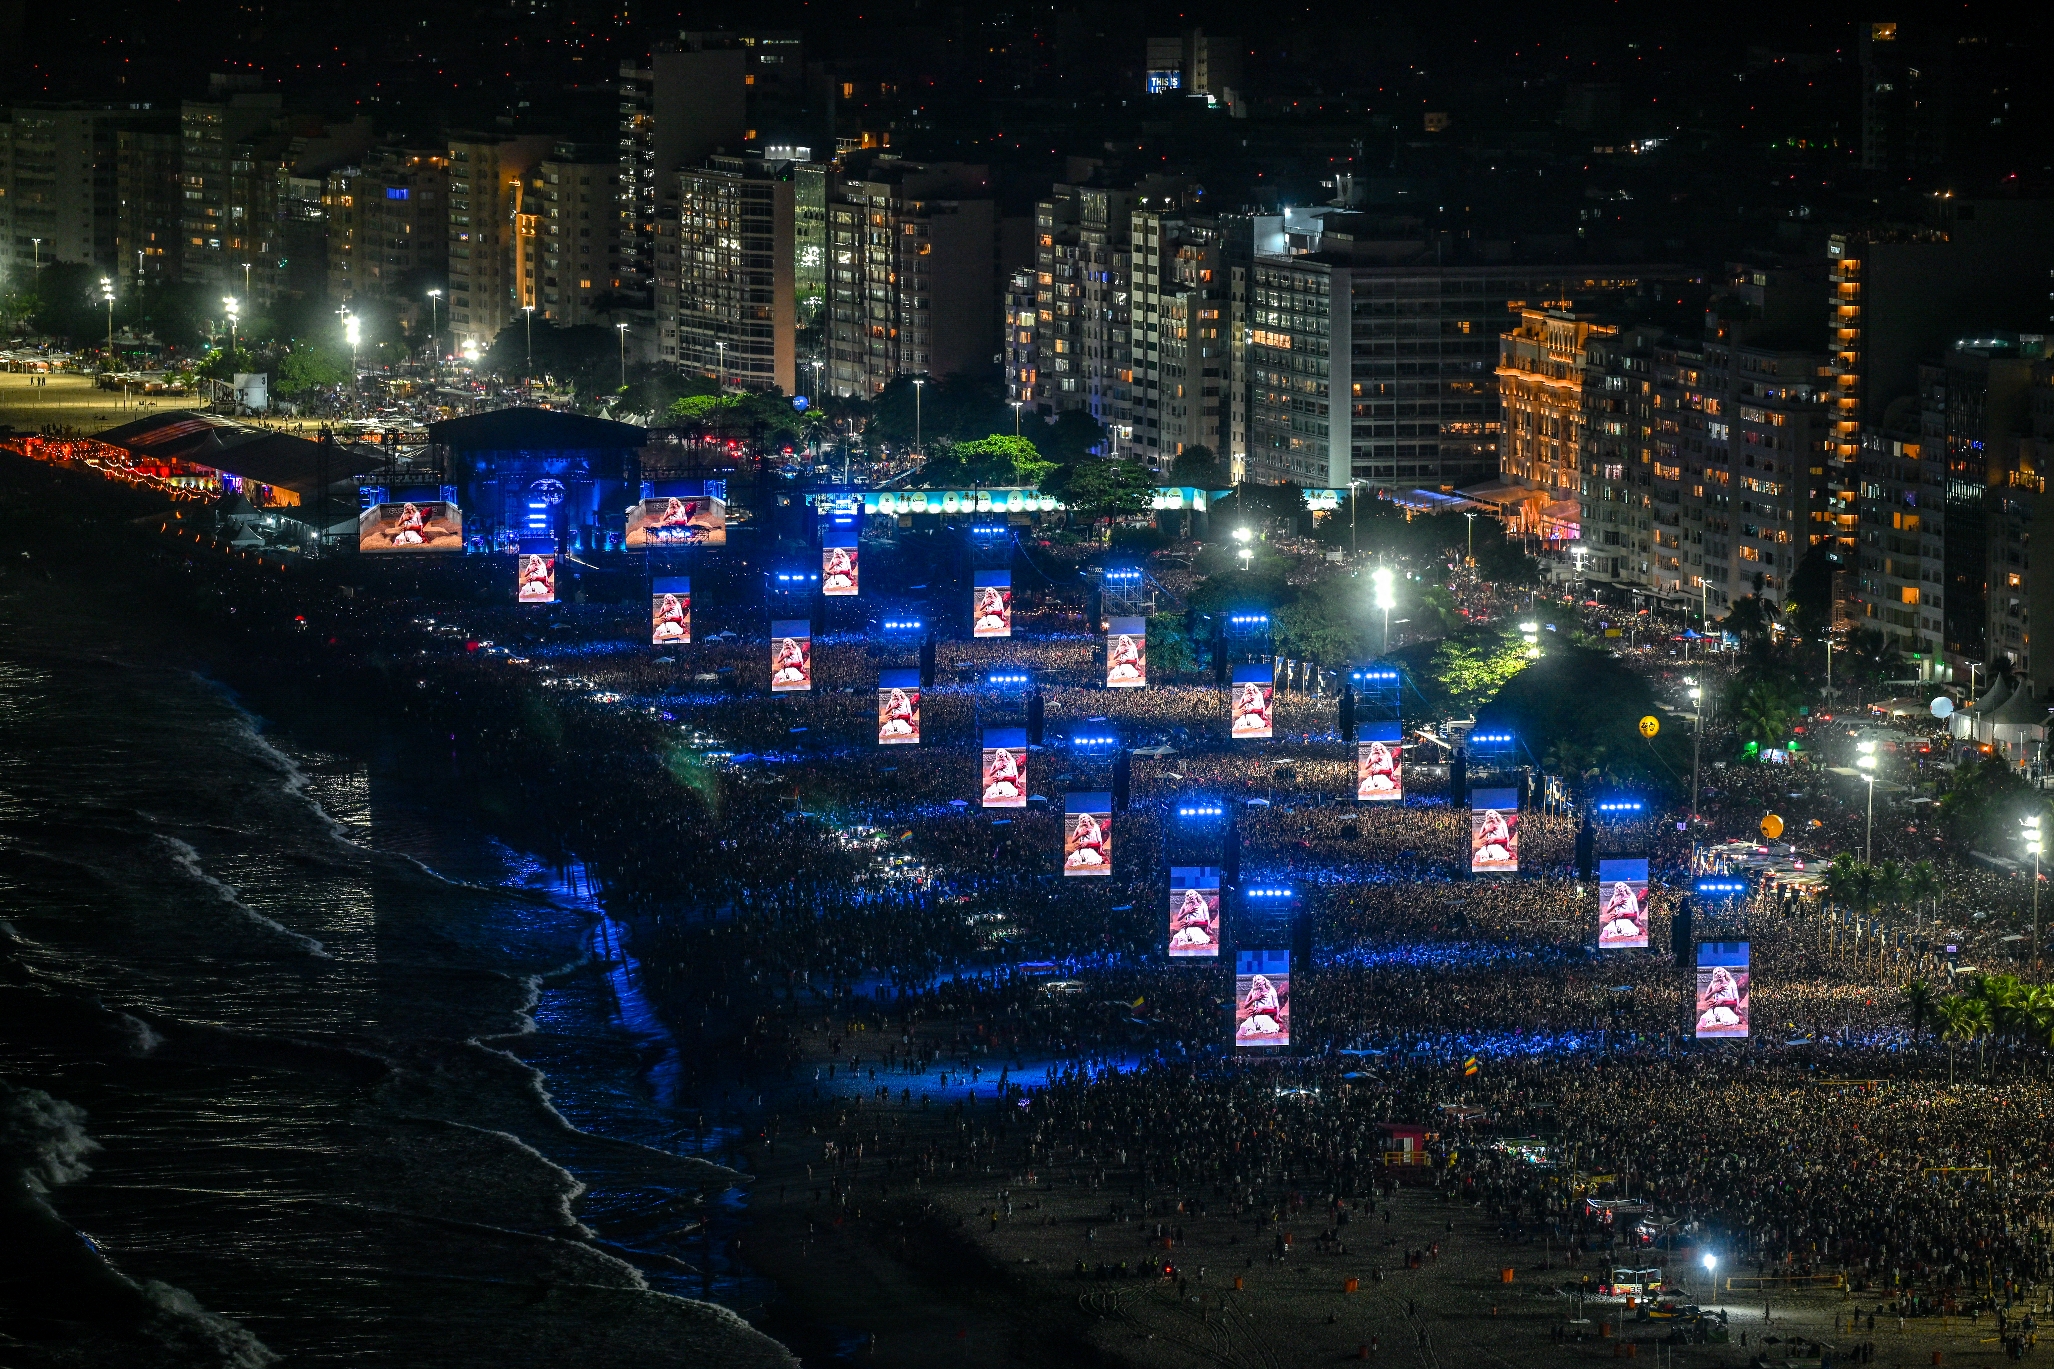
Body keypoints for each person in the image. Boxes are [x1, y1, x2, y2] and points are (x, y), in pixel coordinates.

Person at [1695, 966, 1747, 1034]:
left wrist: (1723, 999)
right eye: (1715, 973)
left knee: (1729, 1023)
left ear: (1724, 973)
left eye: (1719, 971)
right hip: (1714, 1009)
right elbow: (1706, 998)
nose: (1717, 973)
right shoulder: (1713, 983)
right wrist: (1714, 991)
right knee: (1701, 1023)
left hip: (1726, 1008)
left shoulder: (1731, 983)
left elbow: (1735, 1000)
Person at [1237, 973, 1285, 1041]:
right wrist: (1254, 999)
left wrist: (1263, 1008)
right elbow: (1245, 1006)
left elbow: (1276, 1007)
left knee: (1271, 1032)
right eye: (1255, 980)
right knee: (1243, 1029)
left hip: (1266, 1016)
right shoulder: (1253, 991)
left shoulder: (1271, 990)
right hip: (1255, 1016)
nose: (1257, 981)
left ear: (1264, 981)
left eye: (1259, 979)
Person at [1168, 888, 1218, 953]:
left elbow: (1206, 920)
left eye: (1191, 894)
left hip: (1197, 928)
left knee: (1200, 942)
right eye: (1187, 895)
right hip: (1186, 928)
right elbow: (1179, 918)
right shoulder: (1185, 904)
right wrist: (1186, 912)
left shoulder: (1202, 904)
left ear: (1195, 895)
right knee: (1176, 940)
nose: (1189, 896)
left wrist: (1194, 921)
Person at [1600, 878, 1646, 945]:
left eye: (1620, 886)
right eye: (1617, 887)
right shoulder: (1614, 897)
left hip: (1627, 920)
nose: (1619, 888)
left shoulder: (1631, 897)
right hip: (1616, 921)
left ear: (1624, 887)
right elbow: (1608, 911)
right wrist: (1615, 904)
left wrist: (1626, 915)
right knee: (1604, 934)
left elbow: (1636, 911)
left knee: (1630, 936)